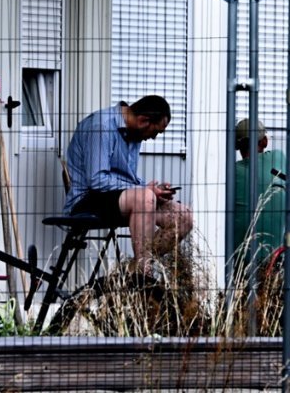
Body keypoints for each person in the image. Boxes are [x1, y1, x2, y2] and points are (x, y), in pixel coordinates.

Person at [64, 95, 193, 276]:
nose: (154, 138)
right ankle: (143, 274)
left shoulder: (133, 133)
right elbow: (97, 180)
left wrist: (153, 189)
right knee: (144, 197)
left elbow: (126, 180)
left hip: (117, 199)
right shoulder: (101, 126)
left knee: (184, 216)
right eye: (155, 132)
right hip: (86, 200)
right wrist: (144, 191)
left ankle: (131, 271)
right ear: (143, 121)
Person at [233, 118, 287, 267]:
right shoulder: (279, 158)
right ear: (264, 142)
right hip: (276, 257)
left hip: (240, 259)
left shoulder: (231, 172)